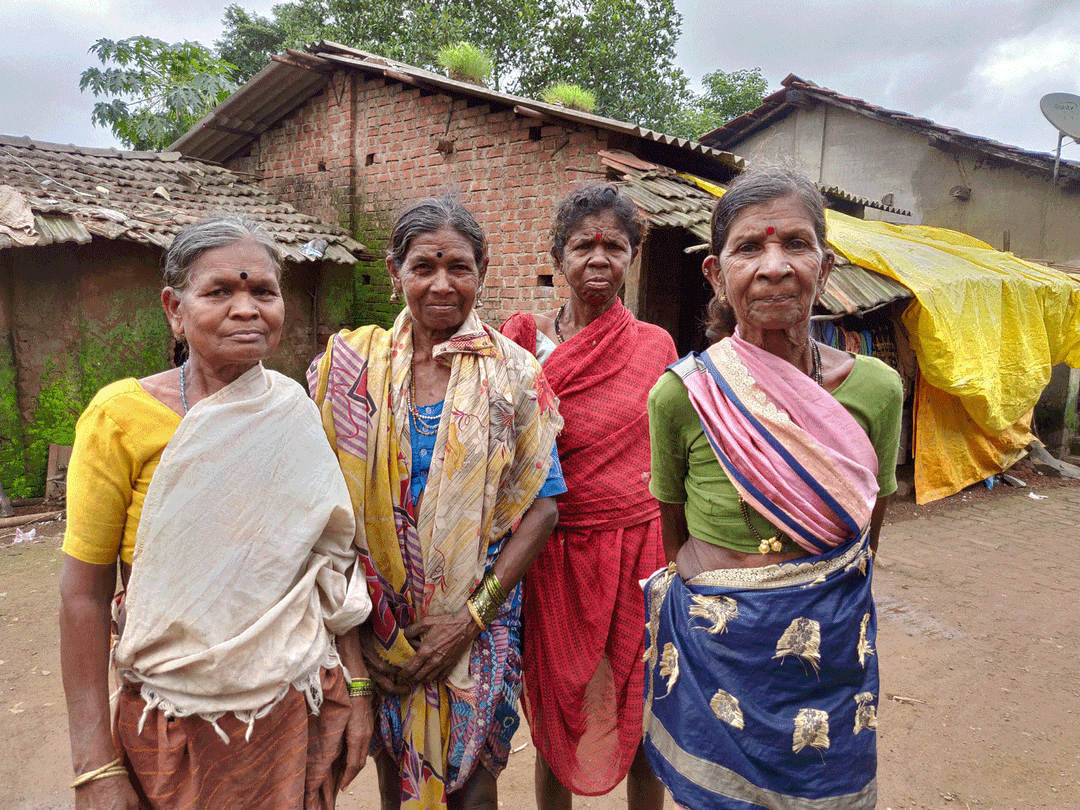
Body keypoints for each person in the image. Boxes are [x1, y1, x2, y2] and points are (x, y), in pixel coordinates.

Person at [59, 216, 374, 810]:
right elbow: (82, 594)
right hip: (173, 722)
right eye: (220, 291)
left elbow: (328, 567)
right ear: (174, 309)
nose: (246, 308)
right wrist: (93, 767)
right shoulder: (119, 417)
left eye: (262, 291)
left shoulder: (291, 413)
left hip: (292, 712)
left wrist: (357, 688)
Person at [643, 168, 903, 810]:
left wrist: (812, 593)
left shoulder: (876, 389)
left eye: (795, 244)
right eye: (750, 248)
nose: (775, 266)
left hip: (830, 644)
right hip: (719, 649)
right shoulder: (683, 394)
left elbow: (868, 530)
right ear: (715, 274)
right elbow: (672, 524)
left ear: (826, 263)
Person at [308, 195, 564, 810]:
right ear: (396, 274)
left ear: (482, 271)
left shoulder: (514, 374)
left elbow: (544, 507)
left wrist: (468, 619)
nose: (442, 285)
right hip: (379, 626)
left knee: (475, 790)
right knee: (396, 780)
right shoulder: (348, 368)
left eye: (459, 268)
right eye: (424, 267)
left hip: (480, 619)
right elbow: (322, 509)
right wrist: (363, 630)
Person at [500, 183, 675, 810]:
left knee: (644, 699)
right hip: (553, 549)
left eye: (614, 246)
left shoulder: (656, 348)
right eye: (583, 245)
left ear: (631, 256)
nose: (598, 258)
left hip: (640, 552)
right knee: (557, 701)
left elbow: (667, 458)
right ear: (558, 256)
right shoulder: (519, 346)